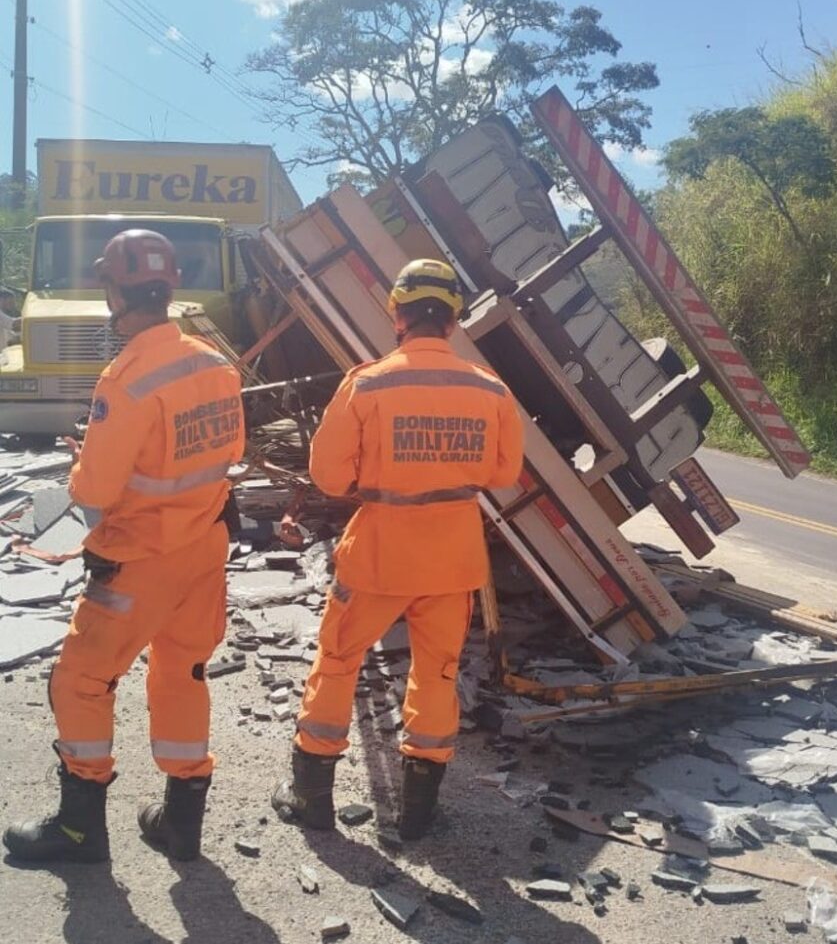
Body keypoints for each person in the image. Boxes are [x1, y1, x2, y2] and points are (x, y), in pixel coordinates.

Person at [2, 229, 244, 864]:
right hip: (204, 548)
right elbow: (225, 454)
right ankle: (181, 824)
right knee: (182, 672)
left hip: (139, 558)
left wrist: (84, 463)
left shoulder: (128, 377)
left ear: (113, 290)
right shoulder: (214, 363)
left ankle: (78, 830)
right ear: (171, 286)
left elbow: (97, 490)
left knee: (81, 680)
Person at [272, 258, 524, 840]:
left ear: (397, 315)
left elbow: (329, 476)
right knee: (437, 673)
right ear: (454, 322)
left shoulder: (368, 383)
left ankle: (312, 796)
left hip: (379, 554)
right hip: (452, 558)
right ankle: (419, 810)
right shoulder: (489, 390)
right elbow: (503, 472)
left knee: (338, 661)